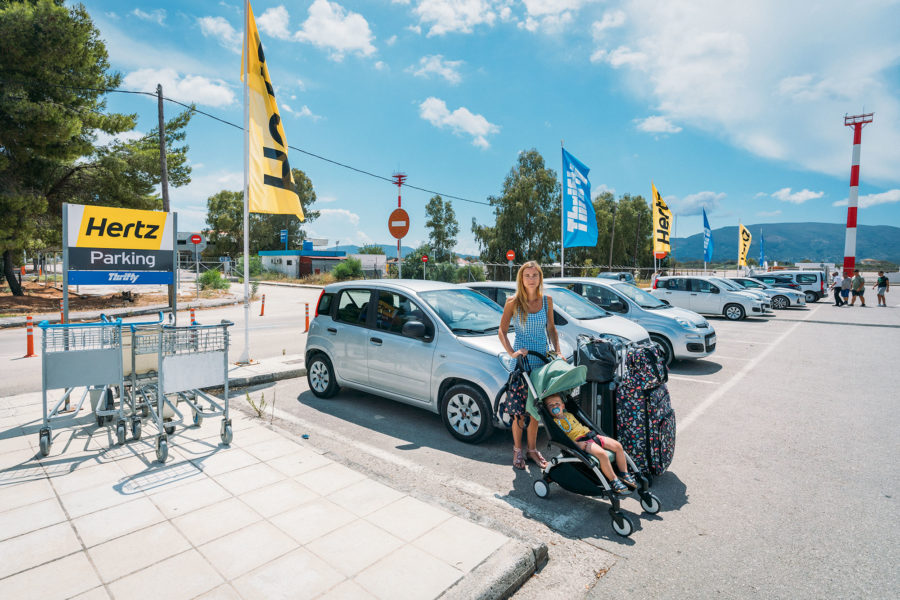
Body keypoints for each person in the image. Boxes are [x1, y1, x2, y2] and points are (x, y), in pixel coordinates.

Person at [499, 261, 560, 470]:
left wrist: (557, 351)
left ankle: (532, 450)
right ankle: (517, 450)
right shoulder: (513, 301)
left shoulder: (547, 301)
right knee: (519, 412)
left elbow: (551, 328)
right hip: (523, 365)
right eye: (527, 275)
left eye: (535, 275)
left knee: (536, 412)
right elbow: (502, 330)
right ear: (521, 279)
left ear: (540, 278)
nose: (531, 279)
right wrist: (511, 352)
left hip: (541, 363)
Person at [543, 394, 636, 494]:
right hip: (582, 441)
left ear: (563, 406)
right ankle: (613, 480)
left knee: (618, 446)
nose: (555, 407)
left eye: (557, 404)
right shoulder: (555, 423)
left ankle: (624, 473)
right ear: (547, 409)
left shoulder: (569, 414)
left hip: (592, 435)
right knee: (602, 454)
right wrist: (577, 445)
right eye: (550, 405)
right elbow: (563, 439)